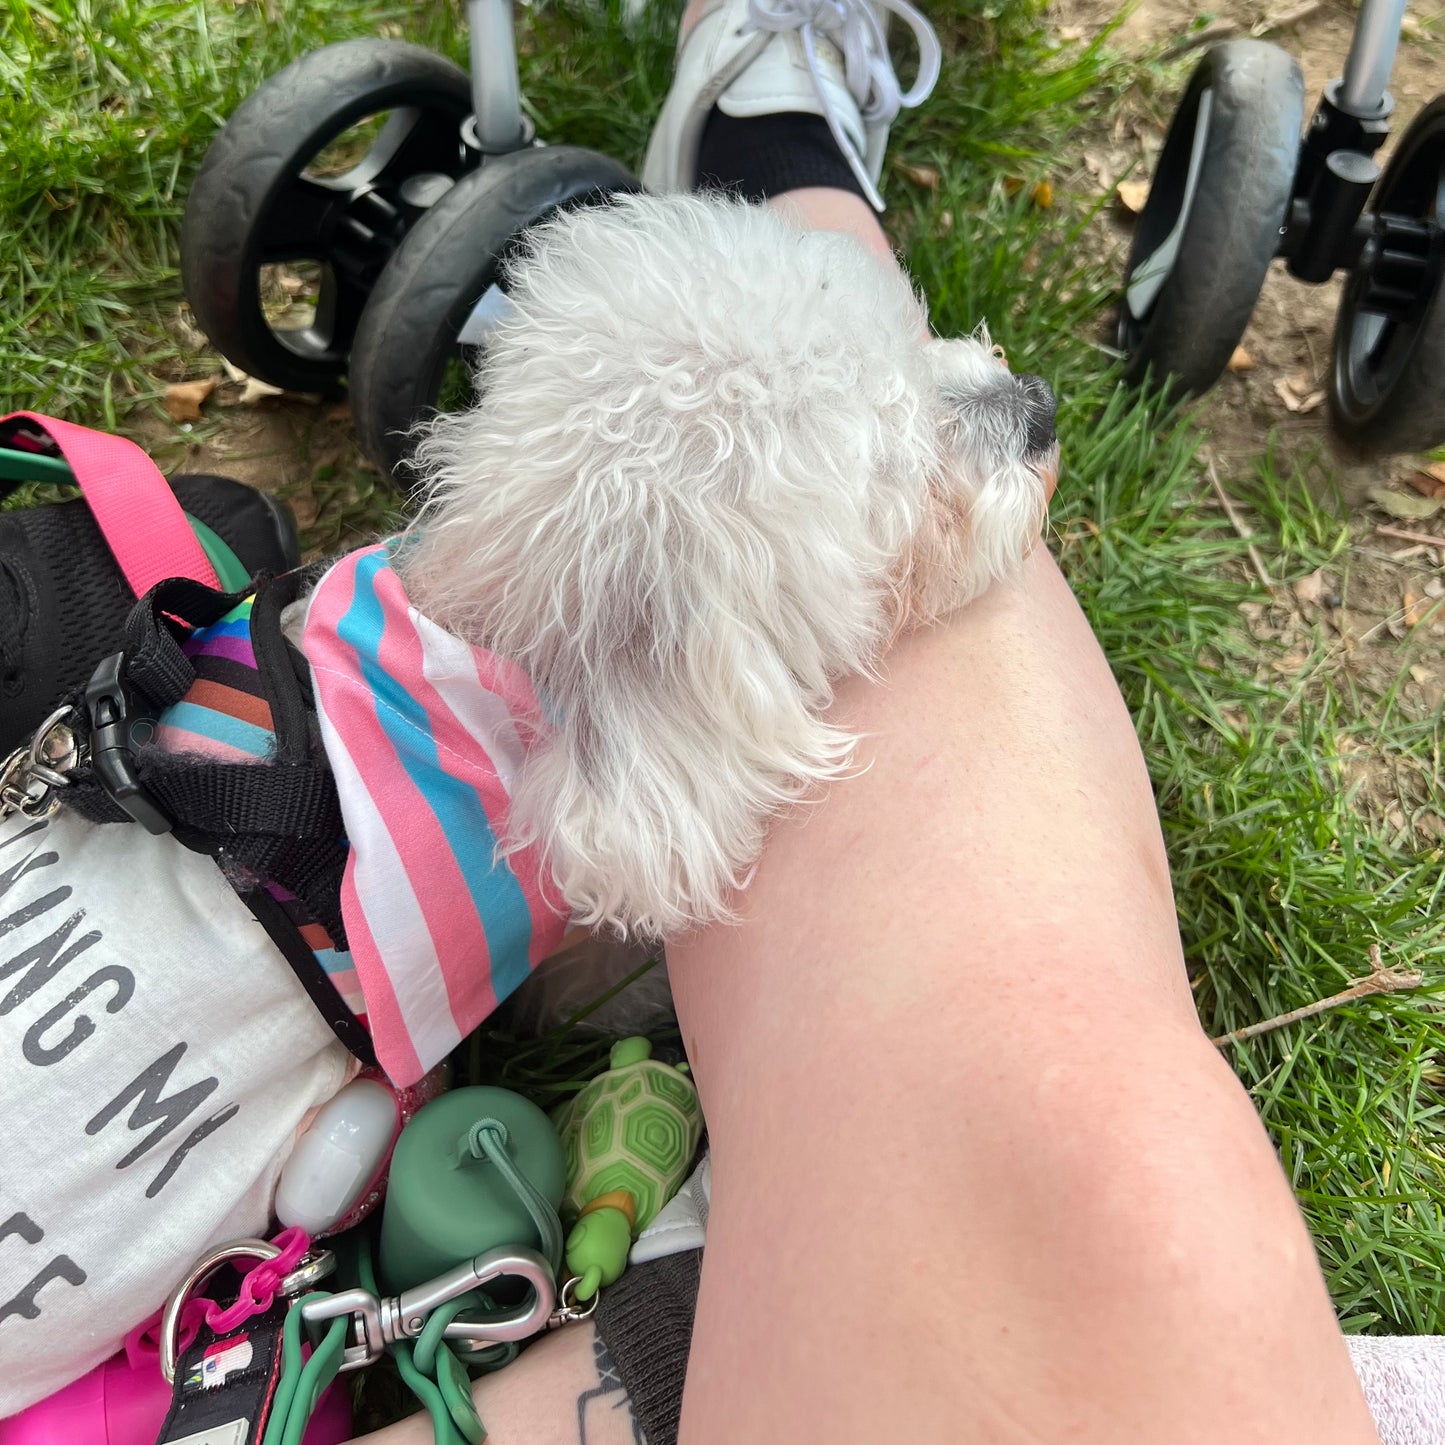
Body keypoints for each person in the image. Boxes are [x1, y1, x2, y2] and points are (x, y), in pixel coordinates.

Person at [356, 0, 1385, 1440]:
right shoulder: (643, 763)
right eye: (904, 499)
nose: (1006, 394)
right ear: (704, 693)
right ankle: (777, 161)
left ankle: (766, 166)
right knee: (1106, 1184)